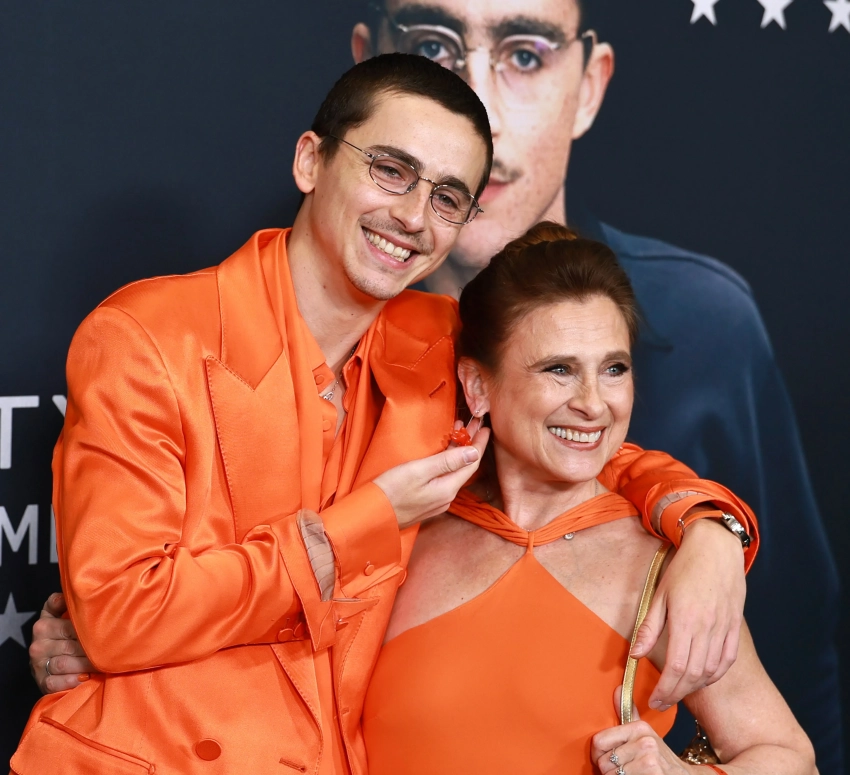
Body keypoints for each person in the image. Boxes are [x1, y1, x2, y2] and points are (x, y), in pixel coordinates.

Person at [19, 55, 756, 775]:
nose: (412, 216)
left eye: (448, 197)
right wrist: (364, 523)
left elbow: (570, 435)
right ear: (311, 161)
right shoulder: (148, 337)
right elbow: (122, 617)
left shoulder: (440, 343)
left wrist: (708, 530)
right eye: (391, 170)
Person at [351, 0, 841, 765]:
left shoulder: (708, 335)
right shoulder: (335, 375)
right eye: (433, 47)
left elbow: (802, 683)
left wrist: (712, 532)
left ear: (589, 84)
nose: (481, 115)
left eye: (524, 54)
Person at [361, 223, 815, 775]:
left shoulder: (668, 568)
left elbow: (790, 759)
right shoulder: (409, 535)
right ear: (478, 386)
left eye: (614, 369)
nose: (594, 404)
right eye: (559, 370)